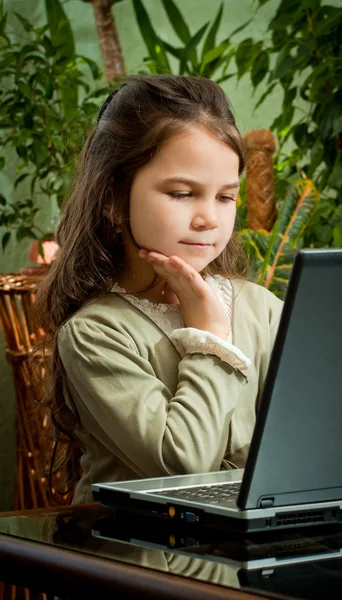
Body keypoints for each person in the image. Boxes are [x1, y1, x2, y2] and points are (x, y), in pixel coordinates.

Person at [35, 75, 283, 504]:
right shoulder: (96, 334)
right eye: (183, 193)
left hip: (242, 562)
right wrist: (209, 341)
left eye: (225, 197)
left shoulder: (260, 308)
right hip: (135, 561)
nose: (209, 218)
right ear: (113, 198)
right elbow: (183, 467)